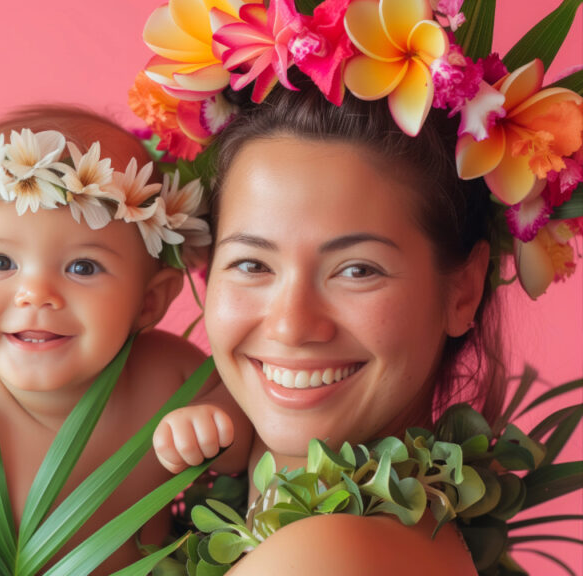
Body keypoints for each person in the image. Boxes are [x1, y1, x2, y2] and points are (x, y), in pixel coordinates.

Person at [138, 0, 583, 573]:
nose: (291, 325)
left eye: (357, 270)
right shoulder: (403, 538)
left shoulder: (326, 557)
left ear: (462, 292)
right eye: (252, 264)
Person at [0, 105, 252, 576]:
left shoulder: (167, 372)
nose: (36, 294)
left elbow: (253, 442)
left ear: (149, 302)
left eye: (83, 267)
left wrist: (217, 424)